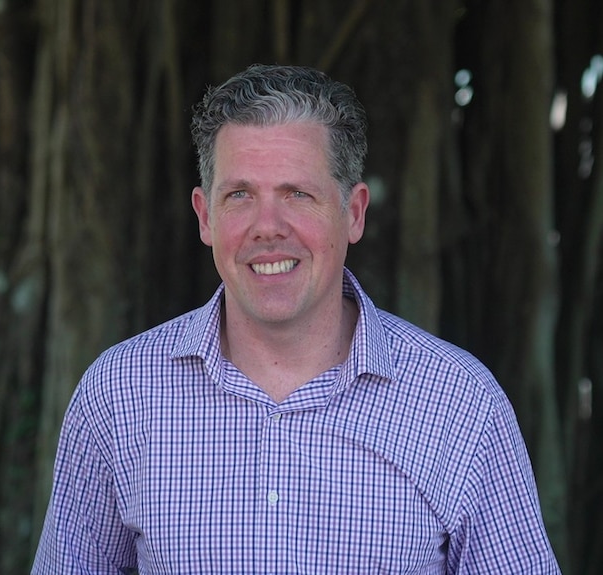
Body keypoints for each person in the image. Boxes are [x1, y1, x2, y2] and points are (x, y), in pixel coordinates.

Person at [32, 64, 561, 573]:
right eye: (240, 195)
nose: (267, 227)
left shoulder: (460, 405)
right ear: (205, 216)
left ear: (353, 213)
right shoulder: (119, 395)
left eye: (298, 195)